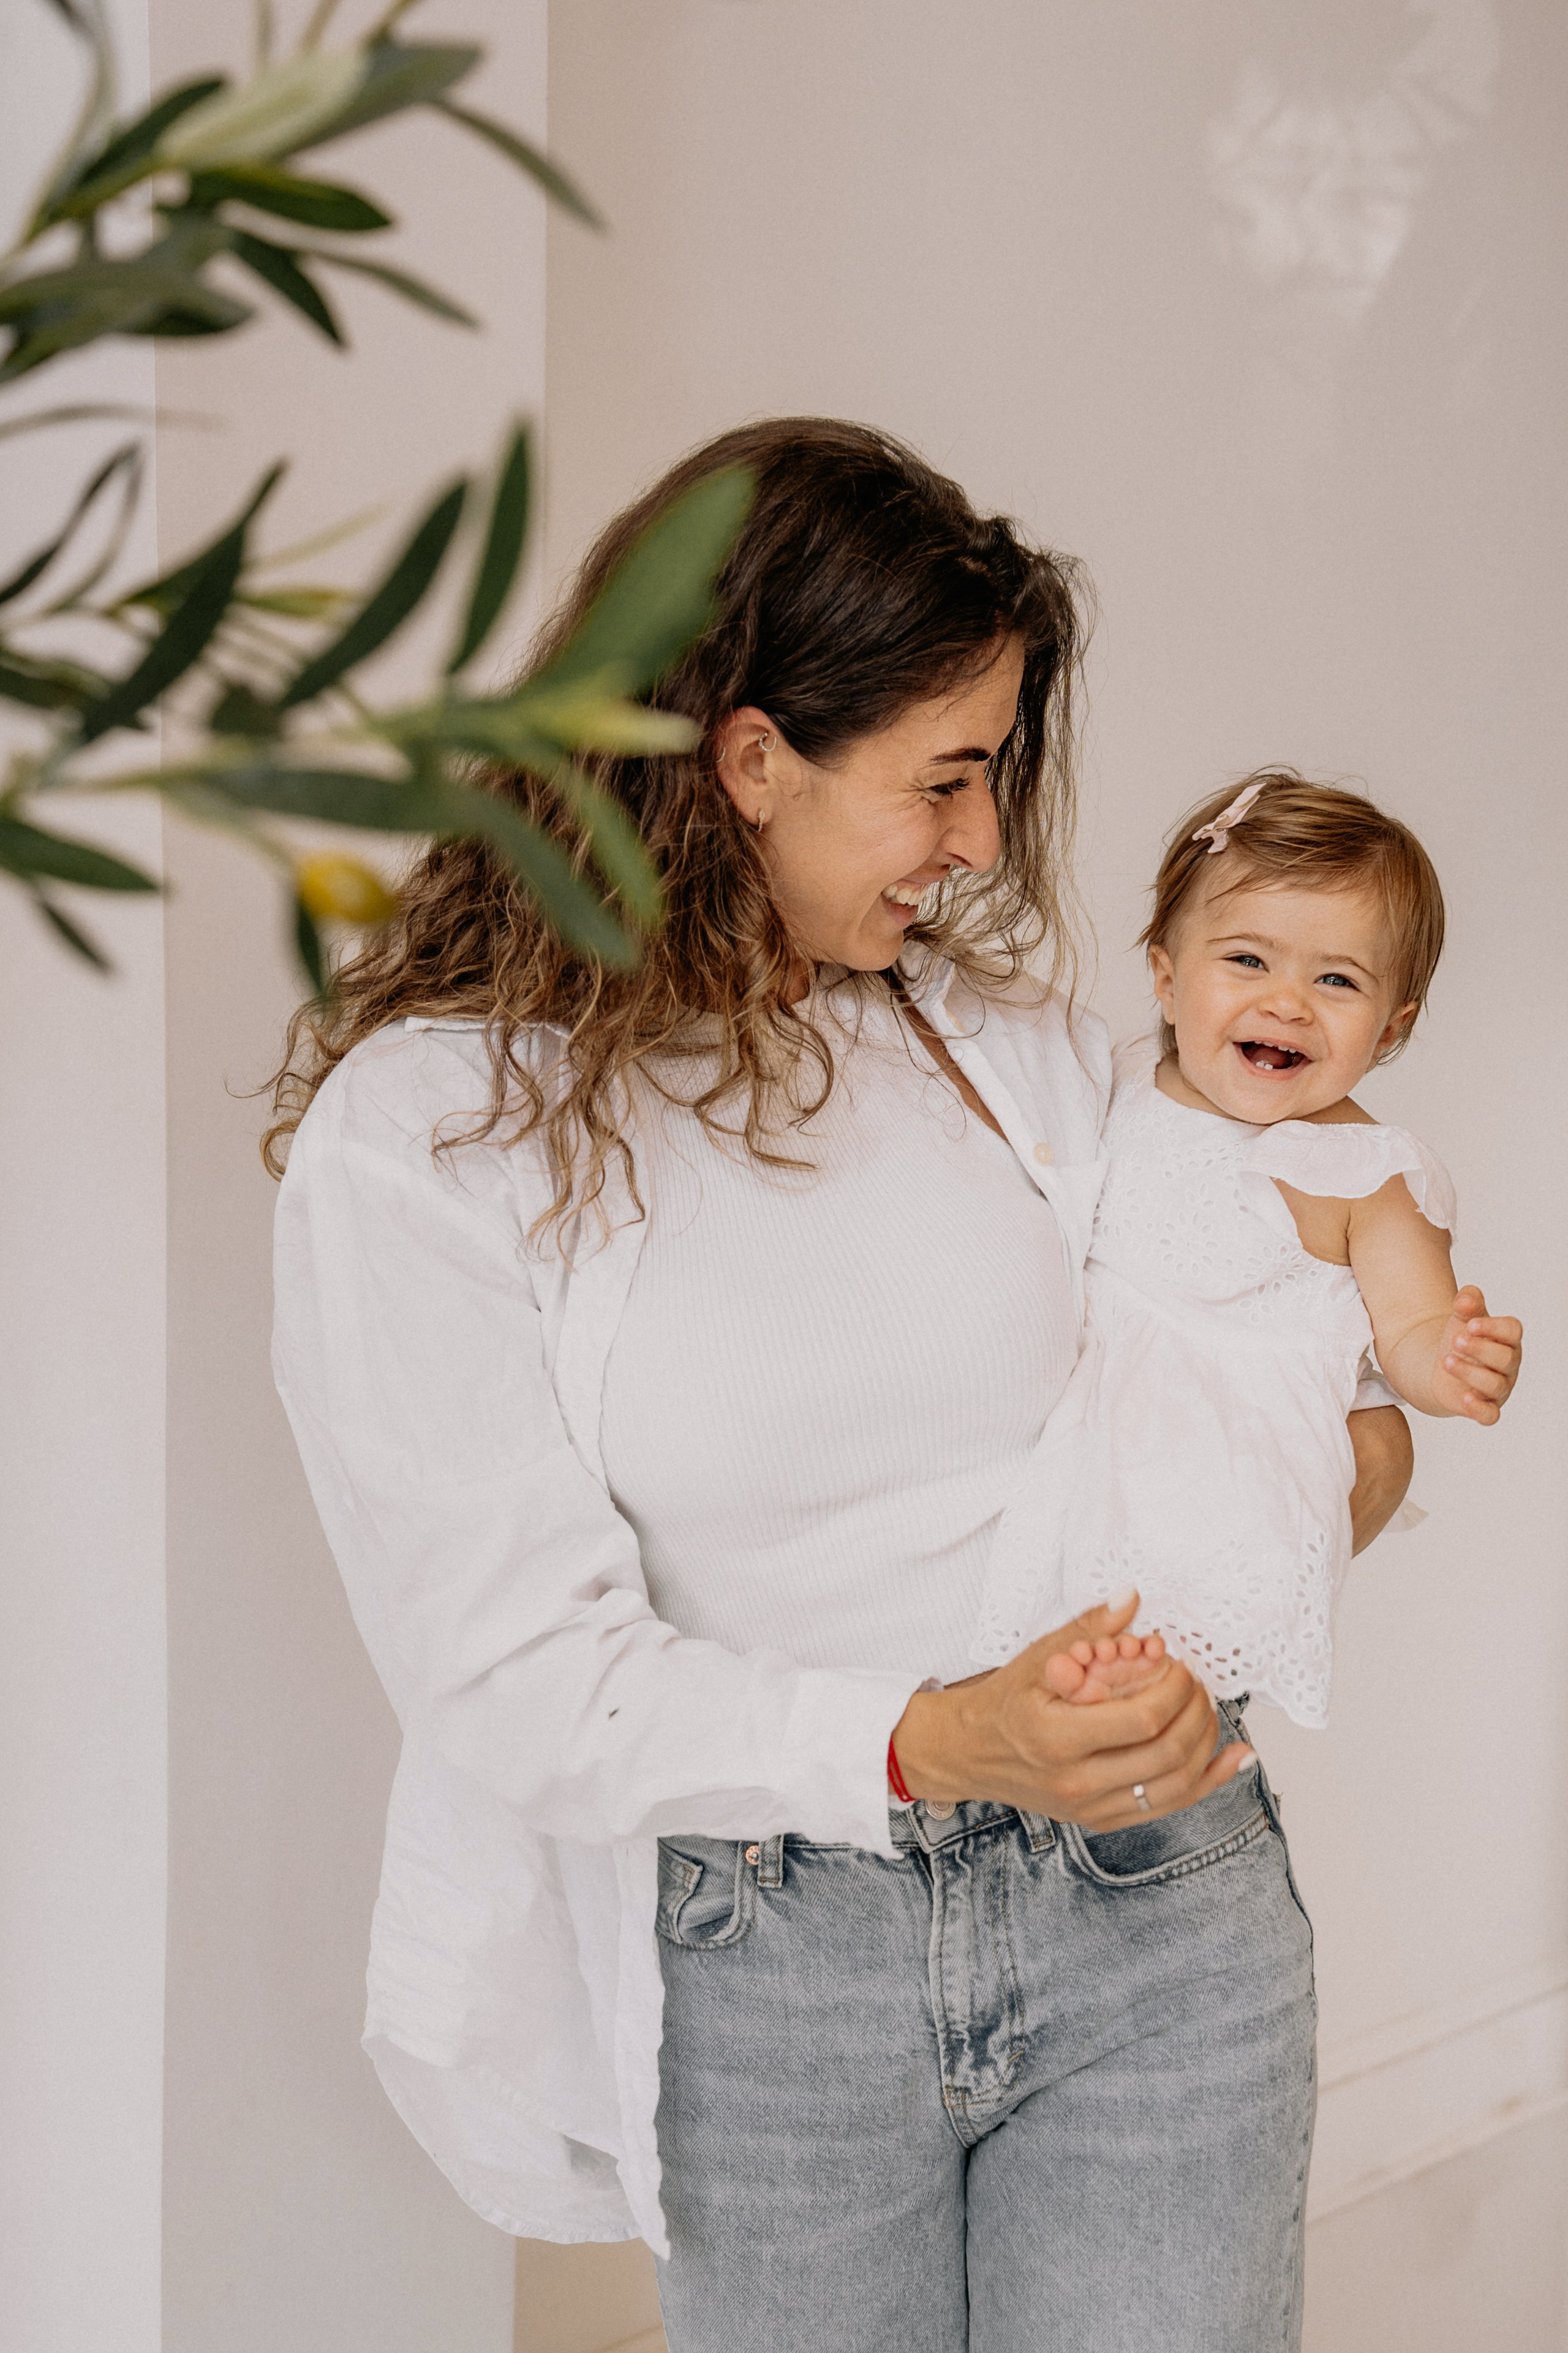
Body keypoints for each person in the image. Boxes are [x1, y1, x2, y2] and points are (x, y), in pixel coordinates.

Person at [267, 420, 1415, 2352]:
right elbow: (513, 1675)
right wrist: (937, 1736)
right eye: (944, 777)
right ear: (750, 762)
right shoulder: (437, 1134)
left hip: (1162, 1902)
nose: (983, 843)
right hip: (775, 1968)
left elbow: (1271, 1338)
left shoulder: (1004, 1057)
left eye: (993, 775)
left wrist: (1348, 1450)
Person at [976, 772, 1523, 1728]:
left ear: (1392, 1027)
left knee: (1161, 1711)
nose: (1289, 1002)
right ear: (1166, 976)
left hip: (1215, 1497)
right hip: (1069, 1452)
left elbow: (1411, 1325)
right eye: (1247, 959)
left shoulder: (1366, 1170)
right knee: (1017, 1664)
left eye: (1337, 980)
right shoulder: (1114, 1082)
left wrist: (1450, 1358)